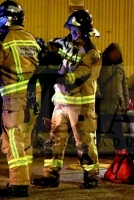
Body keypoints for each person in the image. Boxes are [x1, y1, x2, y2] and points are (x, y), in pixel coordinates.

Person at [31, 9, 102, 189]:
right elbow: (52, 50)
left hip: (81, 106)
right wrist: (42, 47)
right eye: (71, 28)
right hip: (61, 102)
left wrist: (63, 77)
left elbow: (82, 73)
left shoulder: (92, 53)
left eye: (75, 29)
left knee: (84, 141)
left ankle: (91, 176)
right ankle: (50, 176)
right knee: (55, 139)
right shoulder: (63, 42)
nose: (72, 32)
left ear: (85, 31)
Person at [0, 1, 41, 197]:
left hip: (15, 97)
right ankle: (24, 178)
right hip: (34, 96)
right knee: (25, 139)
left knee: (13, 140)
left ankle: (18, 184)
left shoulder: (1, 40)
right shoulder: (30, 39)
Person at [96, 43, 129, 150]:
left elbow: (124, 86)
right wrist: (97, 97)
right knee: (97, 133)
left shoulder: (121, 68)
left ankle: (121, 157)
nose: (114, 57)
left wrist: (125, 103)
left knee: (118, 133)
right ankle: (92, 156)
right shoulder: (100, 66)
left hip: (116, 107)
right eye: (112, 54)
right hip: (102, 106)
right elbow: (94, 82)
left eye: (116, 54)